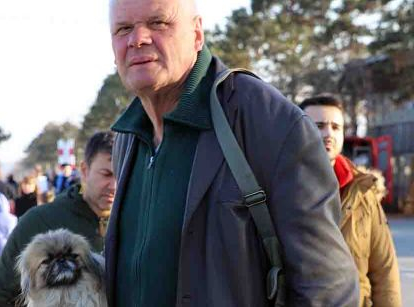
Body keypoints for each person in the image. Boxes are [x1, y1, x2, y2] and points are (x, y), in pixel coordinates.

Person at [105, 0, 359, 306]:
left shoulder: (268, 121)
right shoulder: (127, 137)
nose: (138, 39)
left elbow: (327, 288)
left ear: (197, 34)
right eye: (123, 28)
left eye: (158, 23)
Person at [0, 131, 116, 306]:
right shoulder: (38, 221)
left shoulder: (139, 223)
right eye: (106, 174)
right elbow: (2, 296)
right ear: (84, 171)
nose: (115, 184)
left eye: (122, 174)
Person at [300, 95, 401, 306]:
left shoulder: (363, 192)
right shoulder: (278, 187)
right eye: (318, 126)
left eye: (336, 127)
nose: (329, 134)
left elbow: (384, 269)